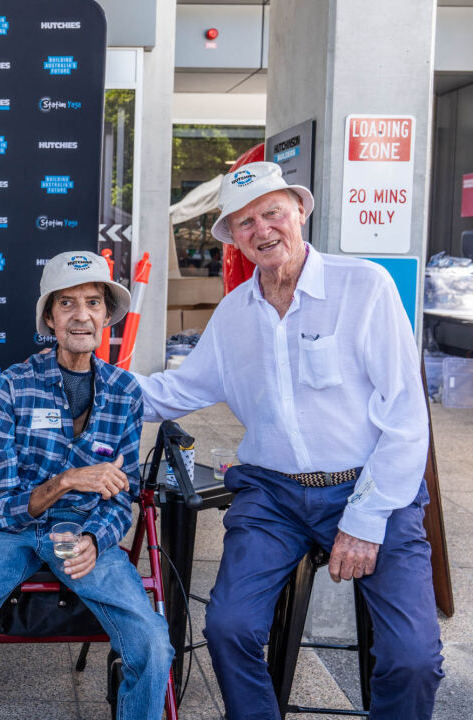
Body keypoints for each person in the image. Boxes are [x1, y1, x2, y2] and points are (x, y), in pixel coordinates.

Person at [134, 162, 444, 719]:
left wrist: (365, 520)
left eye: (272, 212)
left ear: (299, 211)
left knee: (413, 657)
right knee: (228, 627)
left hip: (370, 486)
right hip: (273, 495)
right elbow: (175, 391)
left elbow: (405, 415)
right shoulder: (234, 313)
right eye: (245, 222)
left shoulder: (364, 285)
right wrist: (85, 384)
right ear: (235, 238)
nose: (263, 229)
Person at [0, 251, 174, 720]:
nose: (81, 315)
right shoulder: (10, 388)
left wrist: (95, 539)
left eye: (93, 303)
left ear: (106, 315)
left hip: (81, 532)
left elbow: (122, 495)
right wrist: (66, 481)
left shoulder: (125, 392)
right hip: (6, 534)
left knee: (153, 645)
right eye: (67, 304)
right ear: (49, 318)